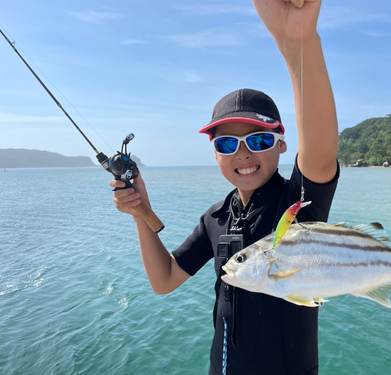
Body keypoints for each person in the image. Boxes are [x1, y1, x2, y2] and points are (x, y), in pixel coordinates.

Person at [110, 0, 339, 374]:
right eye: (227, 144)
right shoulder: (215, 217)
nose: (243, 154)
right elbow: (164, 280)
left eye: (260, 141)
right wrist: (139, 214)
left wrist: (300, 42)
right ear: (215, 154)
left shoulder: (298, 204)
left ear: (282, 144)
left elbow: (320, 152)